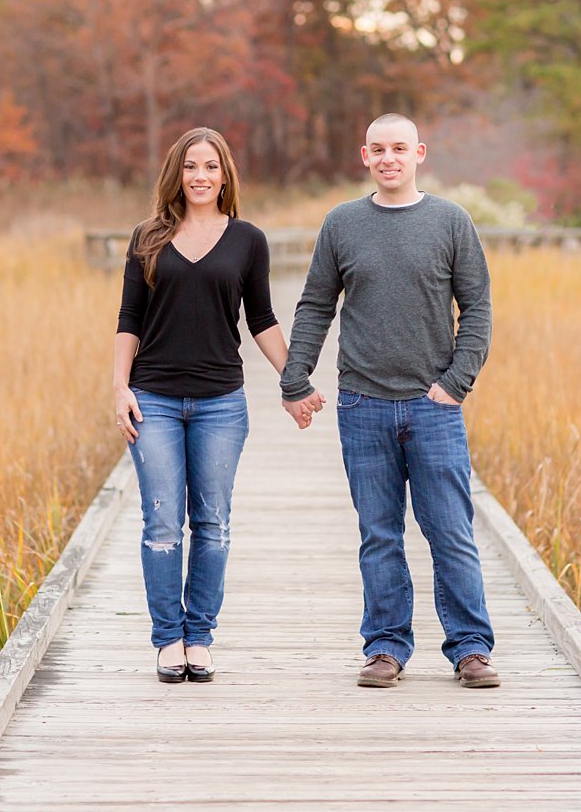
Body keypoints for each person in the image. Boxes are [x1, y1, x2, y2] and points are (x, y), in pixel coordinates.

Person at [280, 113, 499, 689]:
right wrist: (294, 377)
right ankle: (385, 648)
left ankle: (471, 648)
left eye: (399, 148)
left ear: (419, 153)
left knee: (450, 530)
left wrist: (456, 383)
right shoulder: (343, 224)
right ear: (365, 155)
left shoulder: (451, 222)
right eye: (378, 149)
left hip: (434, 407)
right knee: (379, 534)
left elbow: (477, 309)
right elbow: (315, 306)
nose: (389, 158)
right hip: (362, 404)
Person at [114, 127, 307, 684]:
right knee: (161, 525)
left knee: (213, 523)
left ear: (226, 176)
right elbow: (129, 319)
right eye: (190, 166)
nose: (200, 176)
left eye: (211, 166)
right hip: (153, 399)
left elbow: (263, 319)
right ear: (176, 173)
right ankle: (167, 639)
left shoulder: (248, 240)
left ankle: (199, 636)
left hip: (222, 402)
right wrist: (119, 387)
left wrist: (294, 381)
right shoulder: (147, 237)